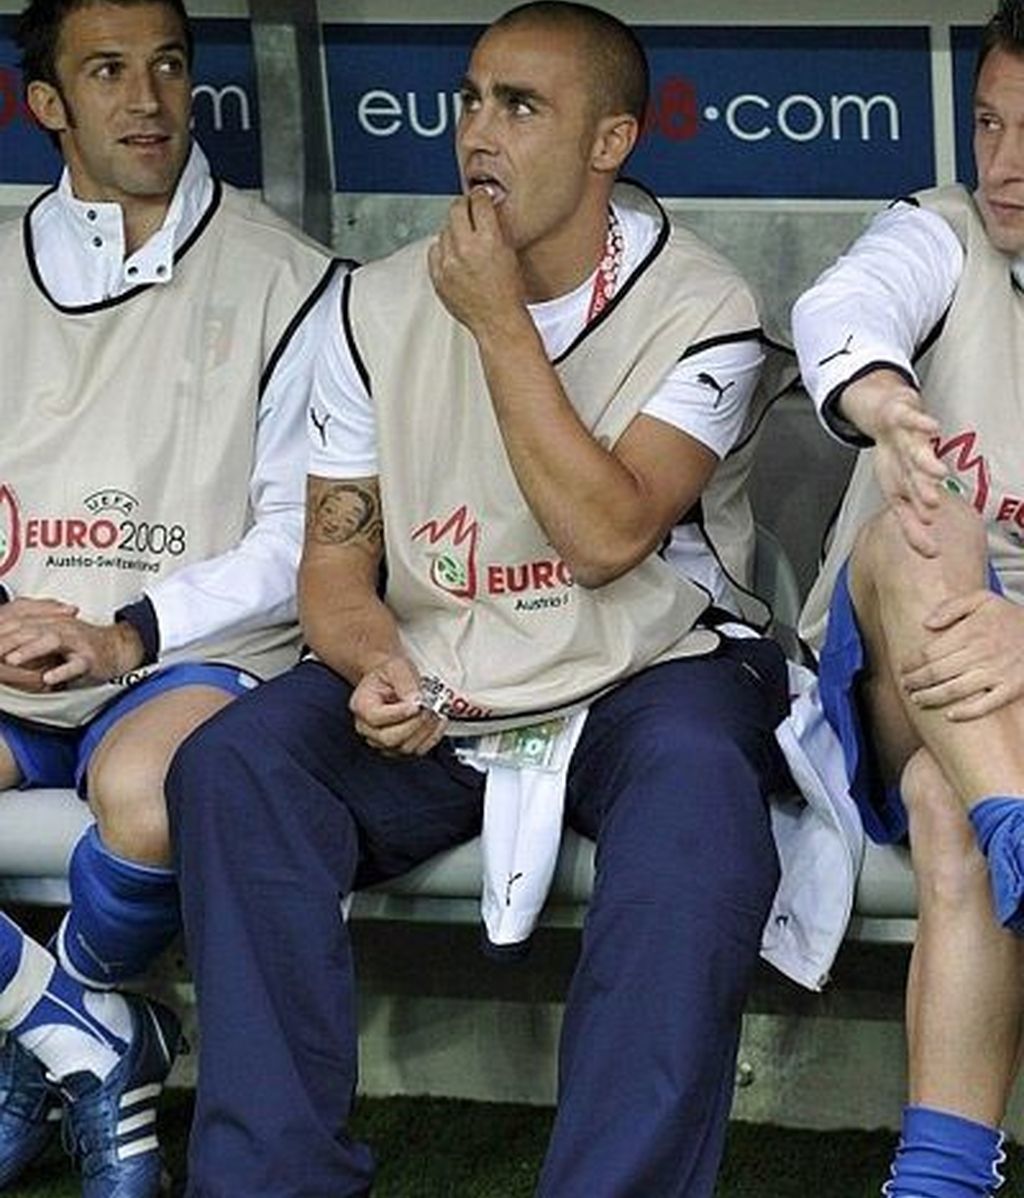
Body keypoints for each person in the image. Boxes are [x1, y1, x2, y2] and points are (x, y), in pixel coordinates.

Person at [165, 4, 811, 1196]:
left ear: (612, 140)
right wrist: (370, 662)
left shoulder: (701, 306)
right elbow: (331, 563)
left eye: (521, 106)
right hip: (443, 655)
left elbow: (611, 534)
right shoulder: (373, 304)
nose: (478, 131)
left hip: (647, 667)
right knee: (237, 765)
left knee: (699, 795)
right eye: (470, 98)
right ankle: (270, 1179)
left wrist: (499, 320)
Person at [0, 1, 341, 1194]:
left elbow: (300, 530)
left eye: (166, 66)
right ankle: (75, 1030)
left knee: (150, 793)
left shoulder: (290, 278)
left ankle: (65, 1030)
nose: (146, 100)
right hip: (17, 649)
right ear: (46, 104)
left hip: (191, 654)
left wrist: (121, 632)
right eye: (106, 72)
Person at [794, 2, 1024, 1192]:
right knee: (919, 522)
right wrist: (882, 402)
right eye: (988, 122)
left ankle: (938, 1176)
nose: (1004, 165)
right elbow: (842, 308)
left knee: (955, 796)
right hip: (890, 664)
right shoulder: (940, 233)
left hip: (999, 714)